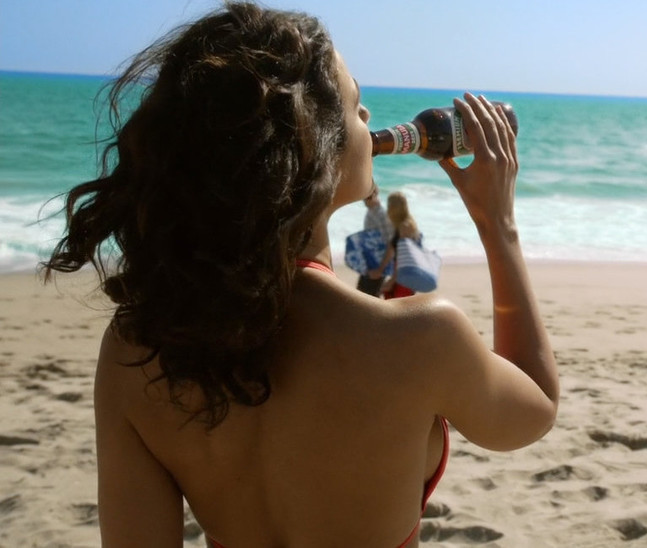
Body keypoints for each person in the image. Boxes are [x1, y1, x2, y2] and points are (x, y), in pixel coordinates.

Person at [41, 3, 558, 547]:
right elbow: (535, 410)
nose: (368, 117)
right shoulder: (420, 337)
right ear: (313, 146)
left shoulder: (135, 350)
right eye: (355, 104)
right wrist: (498, 225)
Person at [370, 191, 421, 299]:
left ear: (394, 207)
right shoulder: (399, 225)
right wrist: (380, 270)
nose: (387, 208)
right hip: (401, 273)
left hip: (405, 275)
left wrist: (392, 280)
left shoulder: (405, 226)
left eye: (389, 205)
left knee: (396, 304)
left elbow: (404, 258)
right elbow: (391, 249)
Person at [356, 182, 393, 296]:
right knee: (361, 295)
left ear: (373, 195)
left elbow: (391, 244)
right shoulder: (371, 211)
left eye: (366, 197)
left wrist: (380, 270)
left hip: (378, 266)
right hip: (369, 264)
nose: (364, 200)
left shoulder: (382, 214)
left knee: (369, 298)